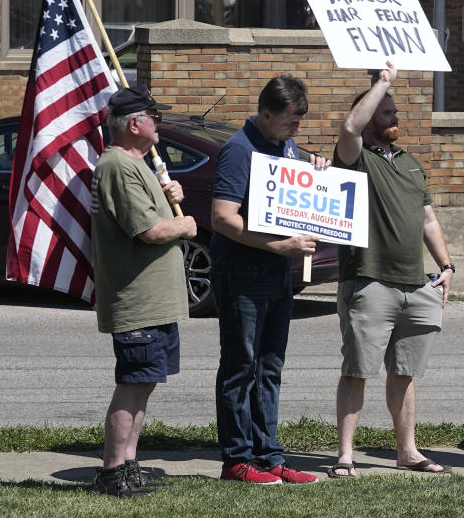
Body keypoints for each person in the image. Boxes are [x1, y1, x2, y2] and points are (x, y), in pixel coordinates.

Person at [332, 61, 455, 478]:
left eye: (394, 111)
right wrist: (381, 82)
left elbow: (427, 220)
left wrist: (446, 264)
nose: (395, 117)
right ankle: (345, 454)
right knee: (357, 370)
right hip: (369, 281)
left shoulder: (410, 163)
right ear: (369, 118)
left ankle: (408, 451)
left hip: (416, 285)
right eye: (386, 112)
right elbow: (349, 129)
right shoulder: (355, 158)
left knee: (405, 373)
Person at [212, 75, 326, 485]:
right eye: (290, 123)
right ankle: (236, 460)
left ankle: (269, 455)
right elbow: (223, 218)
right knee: (241, 368)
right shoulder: (239, 150)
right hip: (244, 274)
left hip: (278, 275)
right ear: (265, 114)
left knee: (270, 367)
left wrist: (314, 170)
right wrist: (277, 246)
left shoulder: (285, 146)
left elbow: (292, 196)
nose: (296, 130)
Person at [90, 86, 198, 497]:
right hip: (137, 300)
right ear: (135, 124)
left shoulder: (138, 165)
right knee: (132, 383)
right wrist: (187, 225)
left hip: (154, 300)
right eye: (154, 116)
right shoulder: (117, 165)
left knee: (144, 383)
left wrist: (172, 196)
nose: (160, 123)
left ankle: (129, 464)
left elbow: (151, 215)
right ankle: (113, 471)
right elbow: (150, 231)